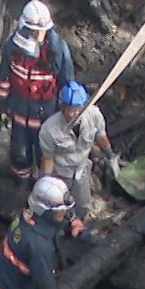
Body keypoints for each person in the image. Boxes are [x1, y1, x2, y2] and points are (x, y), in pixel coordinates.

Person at [0, 0, 76, 180]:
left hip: (47, 116)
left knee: (45, 155)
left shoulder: (58, 50)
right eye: (31, 30)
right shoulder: (12, 46)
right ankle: (20, 186)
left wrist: (67, 114)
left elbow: (67, 82)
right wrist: (1, 106)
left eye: (39, 30)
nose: (35, 34)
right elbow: (4, 78)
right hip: (20, 112)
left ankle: (43, 189)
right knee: (19, 153)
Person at [38, 81, 118, 218]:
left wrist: (111, 156)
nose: (75, 113)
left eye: (79, 108)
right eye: (71, 109)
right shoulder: (49, 129)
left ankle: (79, 224)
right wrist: (46, 180)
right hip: (60, 173)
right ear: (62, 107)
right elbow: (48, 158)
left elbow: (100, 136)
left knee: (84, 205)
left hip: (81, 169)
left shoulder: (93, 114)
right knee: (57, 208)